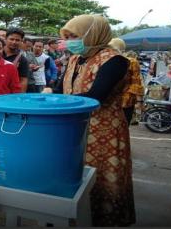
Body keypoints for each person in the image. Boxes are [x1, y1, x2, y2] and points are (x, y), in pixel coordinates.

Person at [55, 14, 135, 226]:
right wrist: (48, 95)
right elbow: (58, 88)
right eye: (68, 36)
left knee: (102, 175)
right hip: (73, 127)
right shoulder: (74, 58)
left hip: (104, 130)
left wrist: (56, 102)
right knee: (75, 174)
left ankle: (105, 220)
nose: (71, 41)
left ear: (92, 35)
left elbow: (96, 95)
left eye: (75, 36)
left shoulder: (114, 60)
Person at [109, 38, 145, 125]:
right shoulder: (131, 61)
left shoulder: (131, 62)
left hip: (120, 101)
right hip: (118, 101)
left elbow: (136, 83)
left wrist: (139, 101)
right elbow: (136, 83)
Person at [3, 27, 29, 92]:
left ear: (21, 41)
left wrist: (20, 97)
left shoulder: (22, 60)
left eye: (17, 40)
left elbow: (23, 80)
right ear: (6, 39)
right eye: (11, 39)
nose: (14, 42)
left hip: (10, 94)